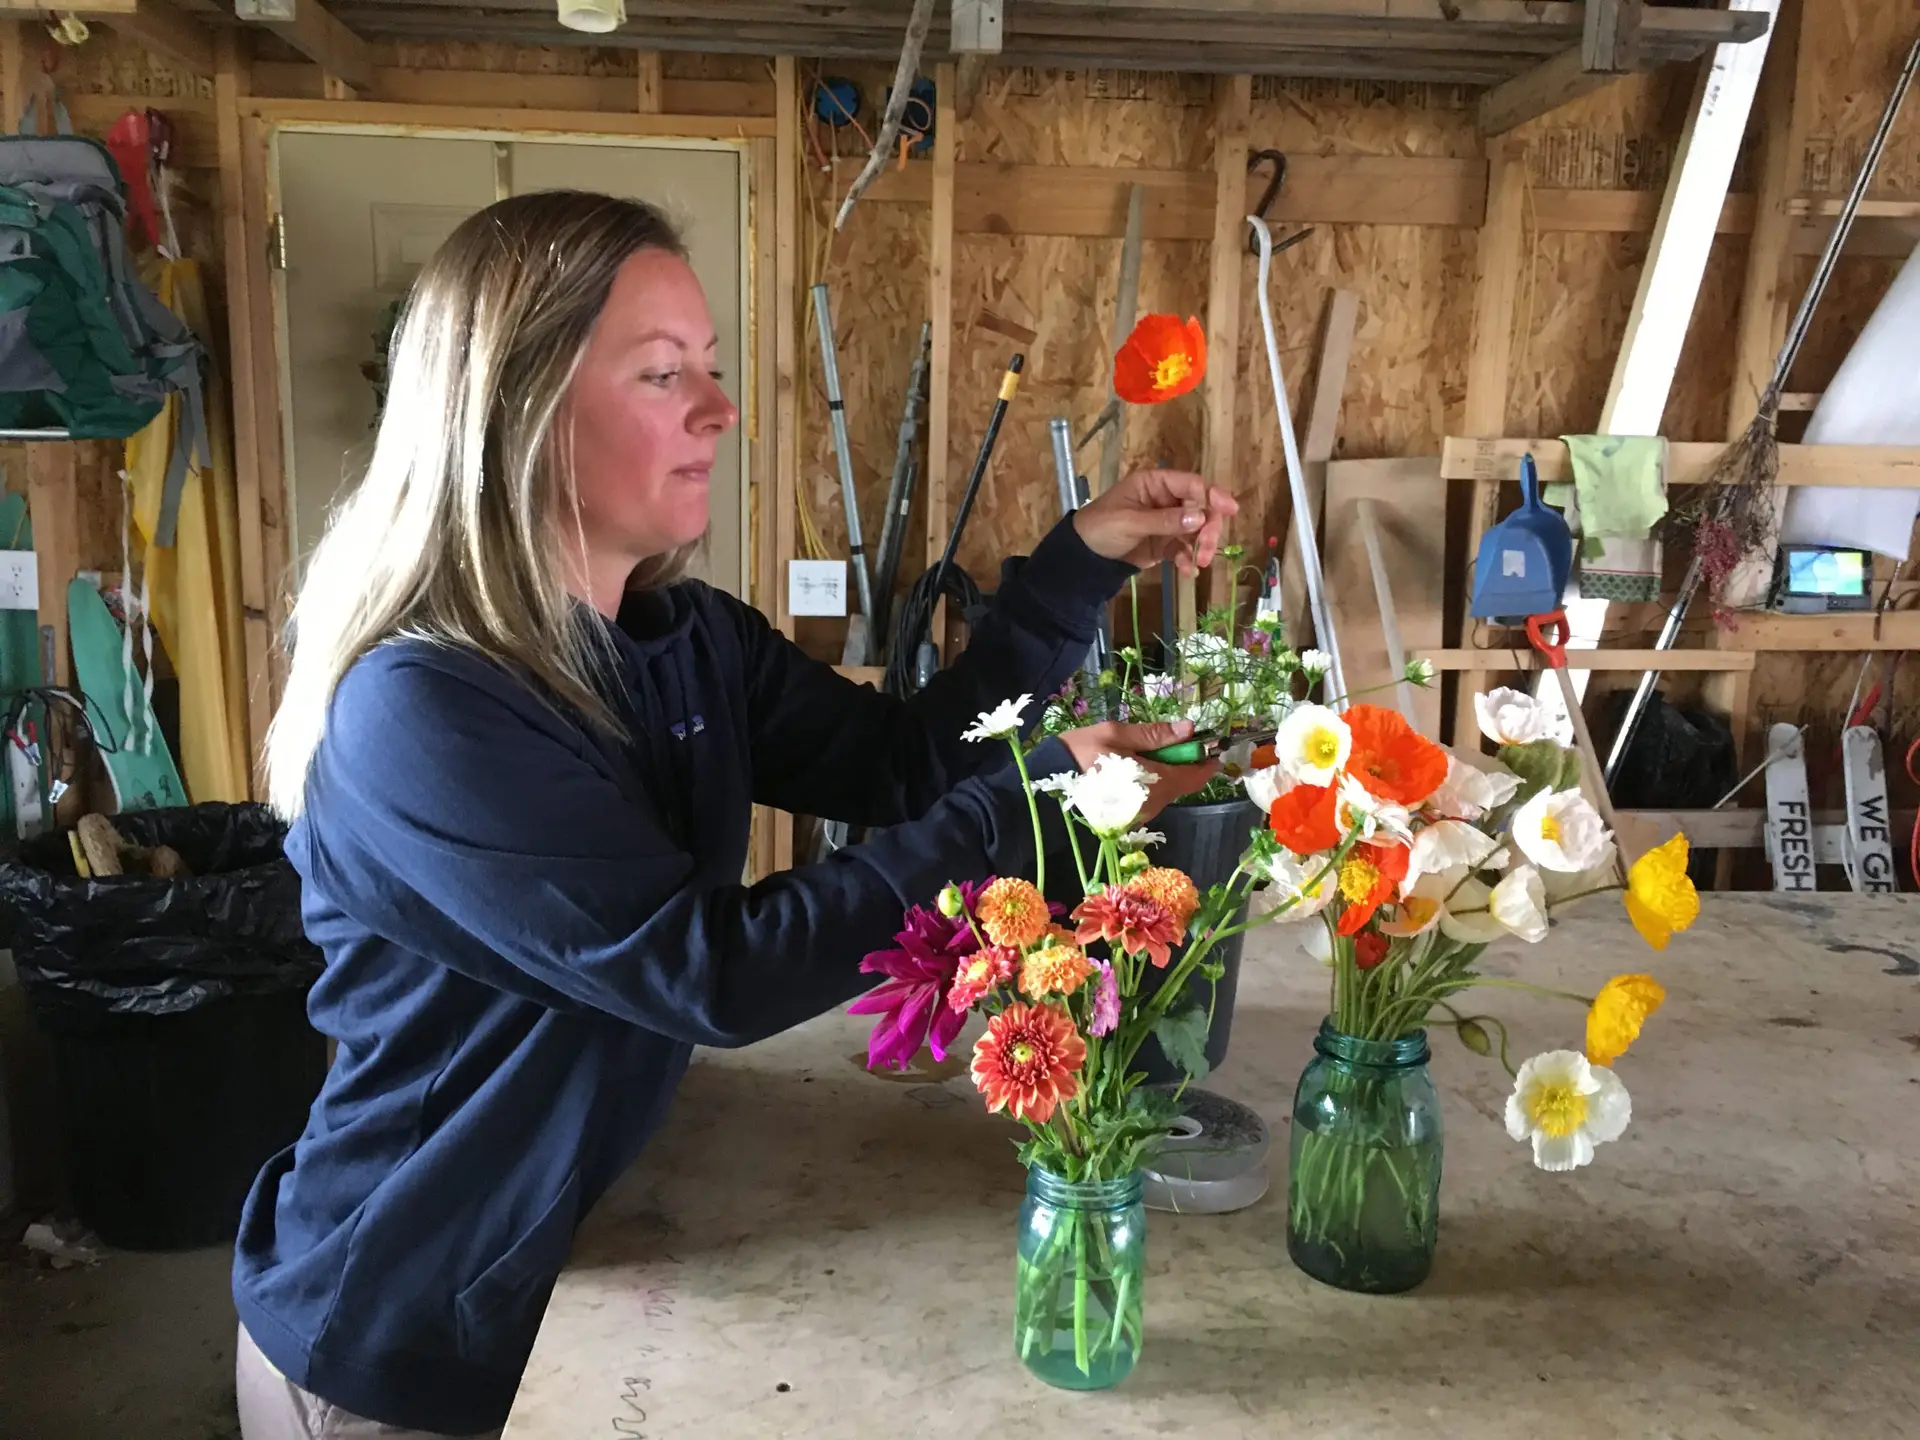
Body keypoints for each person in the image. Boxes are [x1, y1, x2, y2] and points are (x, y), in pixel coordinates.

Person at [232, 190, 1237, 1440]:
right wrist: (1029, 809)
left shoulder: (685, 641)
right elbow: (707, 972)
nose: (720, 409)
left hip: (554, 1267)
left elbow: (904, 767)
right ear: (516, 411)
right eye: (664, 374)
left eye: (710, 367)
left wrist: (1080, 563)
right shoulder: (425, 709)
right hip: (398, 1328)